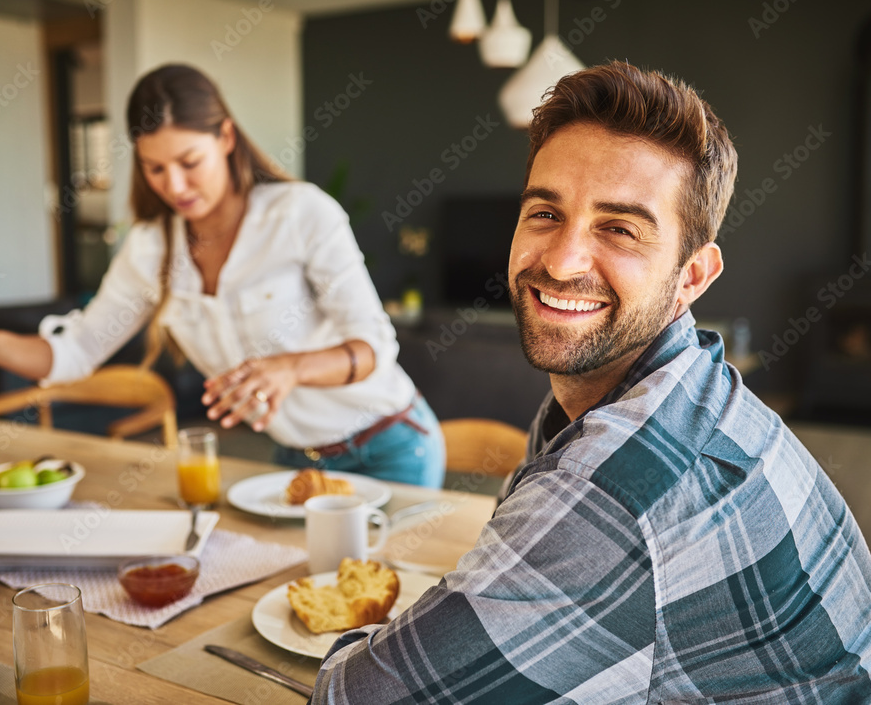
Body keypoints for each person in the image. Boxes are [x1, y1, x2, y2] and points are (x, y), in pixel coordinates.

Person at [311, 61, 871, 702]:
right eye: (545, 214)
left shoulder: (620, 481)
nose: (561, 259)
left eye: (619, 228)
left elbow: (353, 697)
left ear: (693, 275)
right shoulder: (689, 386)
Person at [0, 64, 445, 488]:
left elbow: (375, 346)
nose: (175, 184)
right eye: (155, 168)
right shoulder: (151, 247)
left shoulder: (300, 213)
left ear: (225, 137)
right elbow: (75, 351)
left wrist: (289, 368)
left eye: (189, 161)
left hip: (391, 446)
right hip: (296, 461)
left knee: (389, 613)